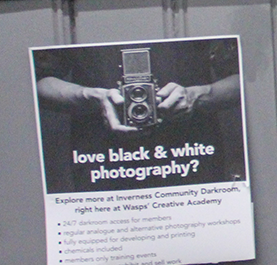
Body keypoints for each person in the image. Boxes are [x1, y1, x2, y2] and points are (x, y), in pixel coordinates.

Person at [34, 38, 244, 193]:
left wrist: (196, 96)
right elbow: (33, 82)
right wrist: (92, 97)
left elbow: (252, 79)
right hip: (103, 162)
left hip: (192, 157)